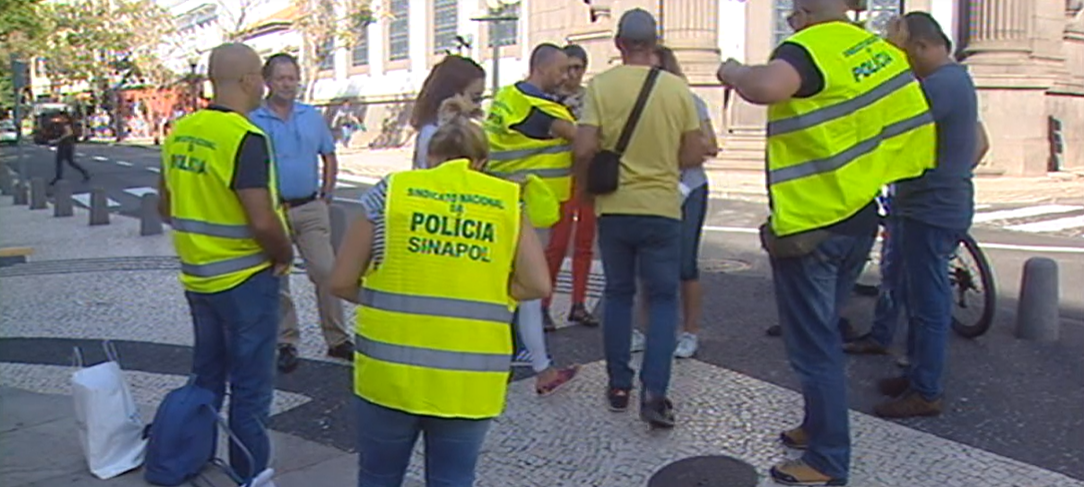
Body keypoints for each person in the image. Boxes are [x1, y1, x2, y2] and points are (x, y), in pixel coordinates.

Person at [716, 0, 937, 483]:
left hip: (812, 222)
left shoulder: (810, 47)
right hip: (858, 214)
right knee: (825, 330)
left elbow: (766, 86)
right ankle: (815, 425)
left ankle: (826, 460)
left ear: (802, 11)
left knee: (814, 348)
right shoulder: (877, 51)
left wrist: (731, 69)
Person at [329, 96, 552, 487]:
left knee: (379, 477)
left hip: (390, 373)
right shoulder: (505, 202)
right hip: (468, 379)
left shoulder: (392, 192)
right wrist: (494, 290)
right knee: (452, 479)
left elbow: (341, 280)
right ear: (482, 162)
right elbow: (537, 284)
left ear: (429, 156)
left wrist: (385, 298)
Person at [158, 43, 293, 480]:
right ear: (249, 81)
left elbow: (165, 205)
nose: (264, 85)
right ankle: (250, 474)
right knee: (251, 391)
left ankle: (188, 457)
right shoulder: (245, 137)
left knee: (207, 379)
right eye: (261, 77)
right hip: (245, 279)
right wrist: (284, 254)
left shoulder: (181, 131)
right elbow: (262, 219)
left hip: (198, 278)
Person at [573, 9, 706, 428]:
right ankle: (655, 391)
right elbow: (693, 153)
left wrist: (589, 188)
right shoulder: (676, 90)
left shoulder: (601, 86)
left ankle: (617, 385)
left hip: (614, 207)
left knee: (617, 294)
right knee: (663, 299)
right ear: (656, 43)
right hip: (663, 208)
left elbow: (583, 148)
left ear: (618, 44)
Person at [856, 12, 989, 419]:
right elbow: (980, 142)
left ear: (921, 46)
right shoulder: (956, 81)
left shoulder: (938, 86)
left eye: (902, 50)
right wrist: (953, 172)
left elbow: (890, 127)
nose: (901, 59)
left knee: (929, 305)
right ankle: (917, 375)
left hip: (930, 209)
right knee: (918, 297)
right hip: (934, 203)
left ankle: (926, 390)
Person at [485, 43, 581, 395]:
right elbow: (579, 137)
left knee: (518, 288)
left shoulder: (509, 96)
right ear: (541, 69)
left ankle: (536, 365)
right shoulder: (535, 106)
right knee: (525, 289)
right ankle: (538, 369)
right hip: (524, 206)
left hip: (512, 202)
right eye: (561, 70)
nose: (566, 76)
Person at [250, 53, 352, 374]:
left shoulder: (311, 116)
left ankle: (337, 339)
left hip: (310, 208)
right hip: (273, 212)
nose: (287, 84)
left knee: (327, 271)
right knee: (278, 279)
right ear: (268, 82)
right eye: (281, 78)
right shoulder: (254, 119)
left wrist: (327, 196)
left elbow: (329, 156)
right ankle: (287, 341)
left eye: (292, 78)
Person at [649, 46, 718, 359]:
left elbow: (710, 145)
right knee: (647, 261)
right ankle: (646, 327)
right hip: (651, 188)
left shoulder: (690, 101)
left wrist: (674, 148)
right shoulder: (638, 103)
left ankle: (690, 332)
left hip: (688, 188)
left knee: (685, 263)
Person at [542, 44, 600, 330]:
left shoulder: (591, 99)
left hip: (586, 176)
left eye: (579, 68)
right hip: (560, 176)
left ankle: (579, 303)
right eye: (570, 68)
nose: (573, 74)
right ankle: (544, 302)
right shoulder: (549, 99)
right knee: (556, 243)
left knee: (585, 243)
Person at [410, 55, 486, 170]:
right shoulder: (435, 134)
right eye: (475, 98)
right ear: (451, 96)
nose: (478, 105)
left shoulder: (449, 128)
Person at [48, 112, 90, 185]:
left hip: (65, 145)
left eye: (61, 117)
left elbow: (68, 133)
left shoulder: (66, 124)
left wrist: (57, 140)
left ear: (64, 118)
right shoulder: (66, 123)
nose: (59, 118)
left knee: (60, 161)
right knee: (70, 161)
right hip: (68, 144)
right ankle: (84, 173)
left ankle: (59, 177)